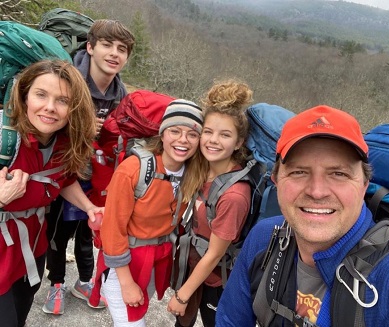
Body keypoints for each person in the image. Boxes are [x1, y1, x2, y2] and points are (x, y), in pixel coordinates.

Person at [215, 105, 389, 326]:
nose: (317, 191)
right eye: (299, 172)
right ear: (276, 181)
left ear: (364, 185)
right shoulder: (264, 239)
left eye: (338, 174)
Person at [0, 59, 103, 327]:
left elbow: (63, 180)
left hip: (32, 249)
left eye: (62, 100)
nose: (50, 107)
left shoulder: (64, 143)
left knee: (19, 315)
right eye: (41, 95)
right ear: (24, 97)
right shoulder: (4, 140)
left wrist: (89, 207)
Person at [43, 19, 135, 315]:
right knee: (59, 229)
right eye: (107, 45)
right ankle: (56, 283)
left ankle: (83, 281)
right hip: (60, 170)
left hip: (95, 174)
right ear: (90, 47)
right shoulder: (67, 81)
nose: (114, 54)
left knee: (90, 227)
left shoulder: (121, 95)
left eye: (122, 49)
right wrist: (77, 126)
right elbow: (44, 120)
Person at [98, 99, 204, 327]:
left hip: (156, 260)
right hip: (124, 265)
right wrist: (126, 284)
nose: (183, 140)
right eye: (175, 131)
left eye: (192, 134)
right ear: (163, 134)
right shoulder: (134, 170)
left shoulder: (193, 173)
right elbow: (112, 230)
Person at [167, 80, 253, 327]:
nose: (213, 140)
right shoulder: (202, 169)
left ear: (238, 143)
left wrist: (182, 296)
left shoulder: (234, 195)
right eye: (208, 131)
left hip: (217, 280)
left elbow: (215, 253)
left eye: (225, 135)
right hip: (193, 267)